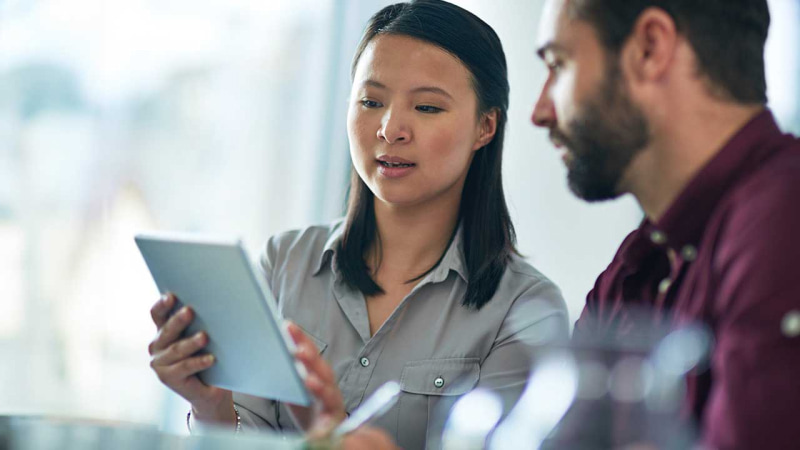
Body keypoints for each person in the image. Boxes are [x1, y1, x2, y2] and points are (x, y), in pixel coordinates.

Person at [147, 1, 569, 449]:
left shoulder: (525, 311)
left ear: (485, 127)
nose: (390, 129)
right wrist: (212, 406)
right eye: (371, 101)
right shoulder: (285, 263)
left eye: (426, 107)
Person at [531, 0, 800, 448]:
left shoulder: (785, 224)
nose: (540, 111)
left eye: (559, 64)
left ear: (650, 49)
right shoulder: (633, 267)